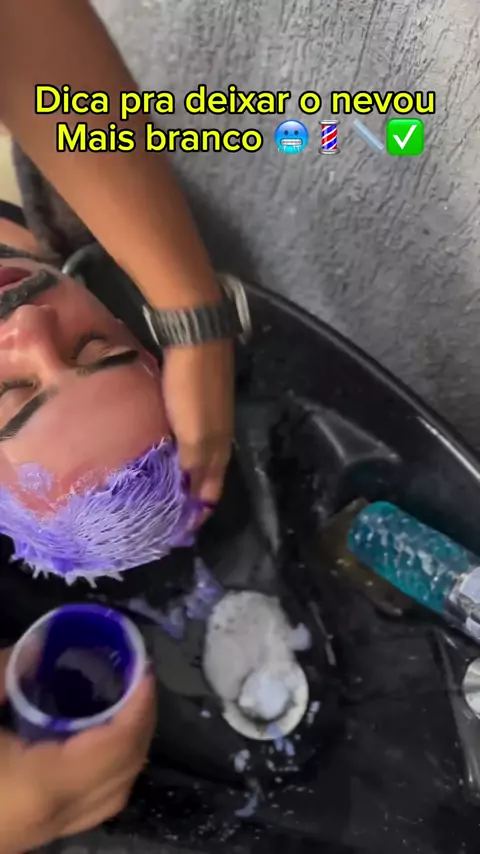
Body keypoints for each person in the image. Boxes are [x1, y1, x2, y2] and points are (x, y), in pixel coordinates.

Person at [0, 0, 235, 509]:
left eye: (9, 394)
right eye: (96, 349)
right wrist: (195, 321)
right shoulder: (69, 217)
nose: (30, 324)